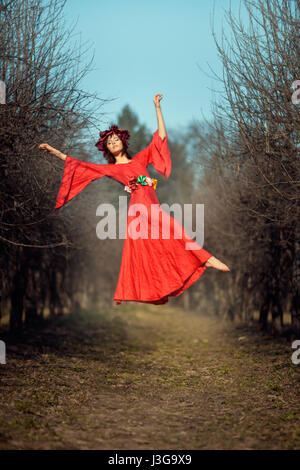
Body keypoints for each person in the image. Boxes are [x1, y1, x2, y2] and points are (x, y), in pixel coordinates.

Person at [39, 94, 230, 305]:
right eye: (109, 143)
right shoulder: (112, 169)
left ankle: (183, 271)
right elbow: (82, 167)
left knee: (161, 245)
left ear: (122, 141)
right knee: (171, 233)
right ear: (107, 149)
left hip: (152, 205)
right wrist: (54, 152)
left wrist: (157, 108)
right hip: (140, 209)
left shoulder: (140, 159)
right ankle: (206, 259)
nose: (113, 143)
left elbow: (161, 139)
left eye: (115, 139)